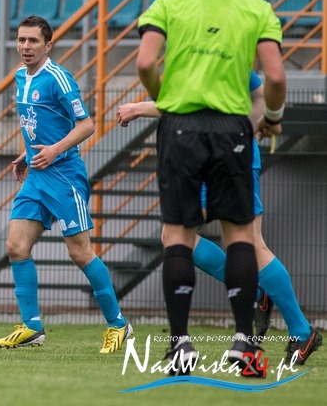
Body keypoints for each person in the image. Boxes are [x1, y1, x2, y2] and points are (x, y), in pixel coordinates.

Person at [136, 0, 287, 375]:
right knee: (239, 235)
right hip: (232, 128)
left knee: (178, 235)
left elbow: (145, 61)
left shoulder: (170, 1)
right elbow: (275, 77)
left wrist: (163, 98)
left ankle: (181, 346)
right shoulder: (257, 7)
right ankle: (245, 344)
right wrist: (272, 117)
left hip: (180, 127)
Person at [118, 72, 322, 365]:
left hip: (227, 156)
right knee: (175, 237)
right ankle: (257, 292)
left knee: (251, 244)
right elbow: (258, 94)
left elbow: (185, 106)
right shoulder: (227, 51)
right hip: (204, 156)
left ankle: (301, 330)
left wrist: (138, 108)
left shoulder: (208, 55)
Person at [0, 15, 132, 353]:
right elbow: (38, 123)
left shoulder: (58, 78)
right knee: (15, 246)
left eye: (33, 41)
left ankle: (118, 325)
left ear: (48, 45)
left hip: (64, 176)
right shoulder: (20, 76)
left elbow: (87, 125)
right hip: (36, 175)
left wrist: (54, 150)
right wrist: (27, 153)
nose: (26, 46)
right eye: (21, 40)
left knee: (79, 252)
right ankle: (31, 327)